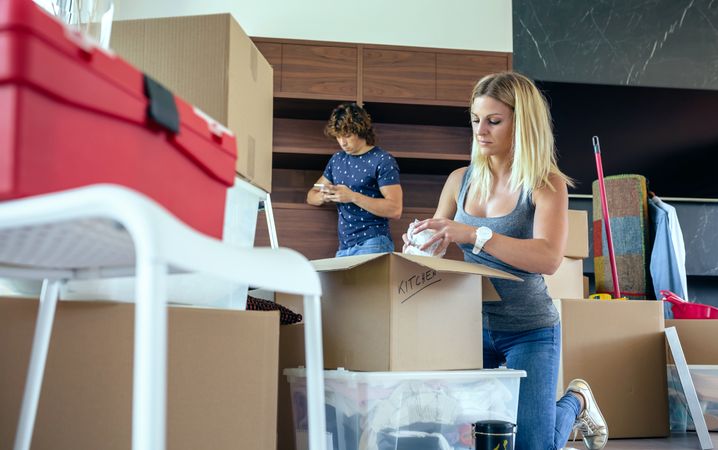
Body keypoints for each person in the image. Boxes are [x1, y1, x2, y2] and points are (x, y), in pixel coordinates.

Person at [404, 72, 609, 450]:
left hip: (529, 329)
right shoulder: (459, 180)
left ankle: (576, 401)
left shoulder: (545, 183)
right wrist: (423, 246)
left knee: (534, 445)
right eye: (476, 120)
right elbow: (439, 242)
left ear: (522, 123)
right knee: (462, 436)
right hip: (469, 328)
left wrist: (474, 235)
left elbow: (548, 257)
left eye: (494, 121)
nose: (481, 131)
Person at [307, 103, 402, 257]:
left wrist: (351, 196)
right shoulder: (337, 160)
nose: (342, 142)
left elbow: (395, 209)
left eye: (347, 135)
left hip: (373, 243)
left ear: (360, 130)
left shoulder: (382, 159)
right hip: (344, 247)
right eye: (338, 136)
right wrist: (323, 196)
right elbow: (311, 195)